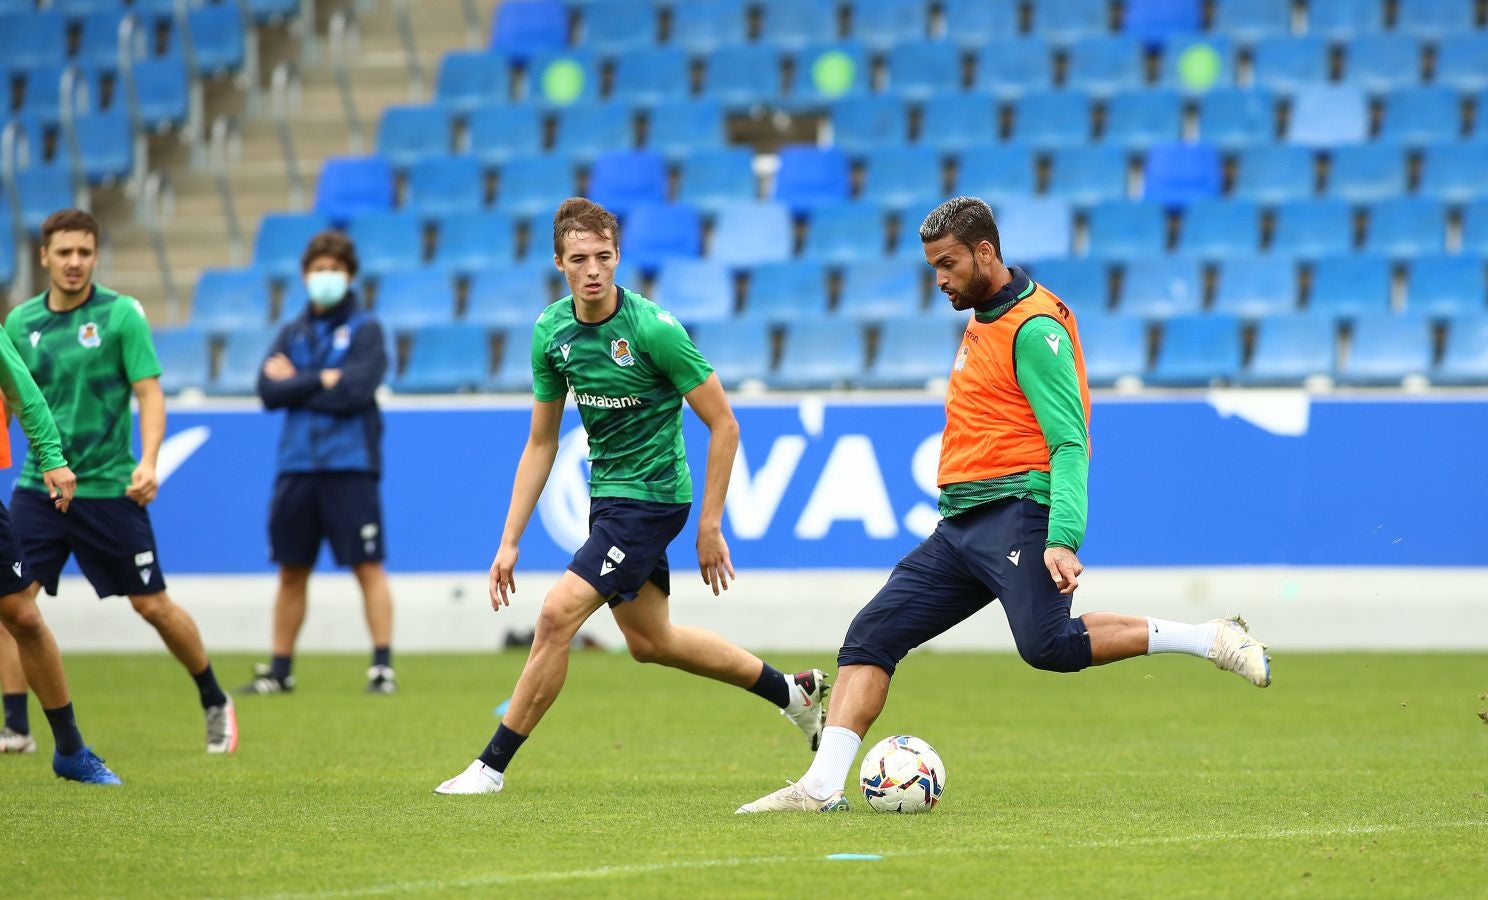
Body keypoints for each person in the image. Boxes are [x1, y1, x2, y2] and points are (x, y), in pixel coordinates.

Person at [737, 197, 1271, 814]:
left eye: (948, 264)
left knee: (1050, 648)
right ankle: (821, 788)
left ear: (985, 253)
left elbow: (1070, 440)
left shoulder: (1035, 329)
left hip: (1020, 511)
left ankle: (1209, 638)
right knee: (870, 635)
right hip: (962, 522)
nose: (939, 280)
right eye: (933, 266)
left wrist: (1064, 534)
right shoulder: (985, 314)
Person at [434, 198, 829, 795]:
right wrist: (509, 540)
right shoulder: (551, 332)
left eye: (603, 257)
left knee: (555, 616)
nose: (593, 269)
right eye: (579, 259)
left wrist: (710, 526)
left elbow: (725, 424)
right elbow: (541, 442)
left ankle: (489, 768)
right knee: (651, 642)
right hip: (609, 499)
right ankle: (791, 693)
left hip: (653, 499)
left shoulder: (654, 330)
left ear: (617, 258)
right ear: (560, 264)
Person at [3, 208, 234, 760]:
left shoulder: (120, 316)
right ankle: (15, 725)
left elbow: (149, 393)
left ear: (95, 255)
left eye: (84, 252)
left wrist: (149, 459)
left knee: (151, 606)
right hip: (39, 487)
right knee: (14, 604)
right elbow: (11, 399)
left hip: (107, 487)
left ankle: (214, 698)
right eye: (64, 252)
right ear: (44, 257)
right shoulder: (18, 323)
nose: (74, 262)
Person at [244, 230, 396, 695]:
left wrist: (301, 383)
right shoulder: (293, 330)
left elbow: (356, 391)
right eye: (317, 270)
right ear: (305, 275)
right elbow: (268, 392)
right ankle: (280, 669)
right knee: (292, 570)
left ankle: (381, 666)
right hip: (297, 466)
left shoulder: (367, 328)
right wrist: (323, 379)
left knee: (367, 567)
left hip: (349, 465)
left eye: (334, 270)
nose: (324, 278)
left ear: (349, 276)